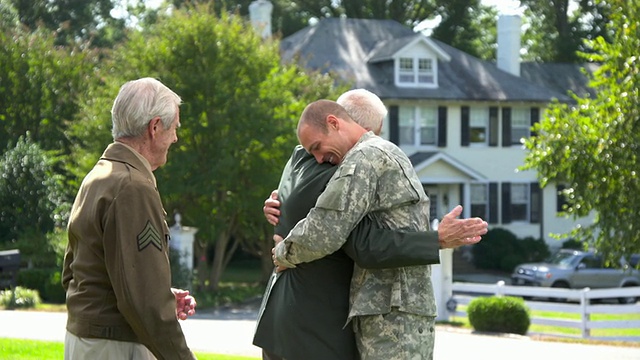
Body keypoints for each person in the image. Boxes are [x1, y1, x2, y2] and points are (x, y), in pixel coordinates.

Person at [255, 90, 487, 360]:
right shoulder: (370, 155)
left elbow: (335, 232)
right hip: (391, 307)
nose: (318, 159)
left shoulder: (365, 157)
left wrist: (284, 252)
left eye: (317, 147)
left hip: (392, 310)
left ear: (336, 122)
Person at [62, 77, 197, 360]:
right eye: (174, 128)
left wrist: (159, 291)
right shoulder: (132, 187)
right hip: (116, 346)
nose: (175, 138)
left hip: (87, 342)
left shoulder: (97, 177)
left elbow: (74, 273)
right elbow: (145, 305)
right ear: (155, 127)